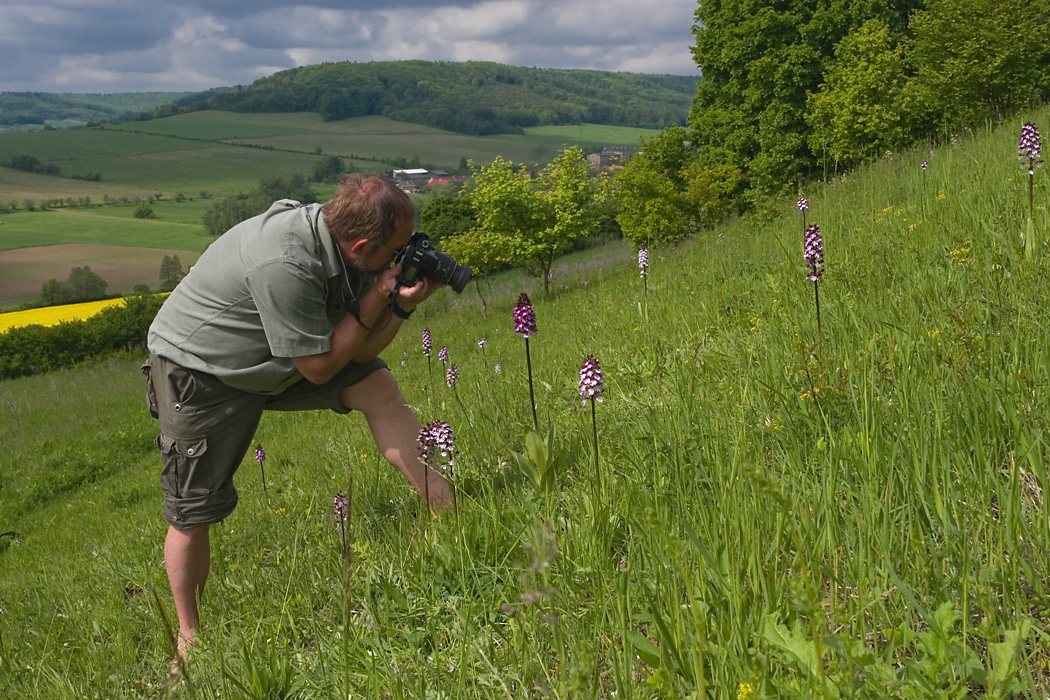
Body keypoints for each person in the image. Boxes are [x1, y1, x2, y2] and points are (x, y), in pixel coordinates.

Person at [143, 173, 449, 658]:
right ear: (362, 242)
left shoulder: (347, 245)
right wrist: (375, 299)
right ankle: (189, 636)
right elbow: (320, 365)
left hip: (282, 355)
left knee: (379, 388)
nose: (399, 257)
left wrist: (398, 308)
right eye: (394, 250)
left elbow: (359, 347)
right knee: (192, 510)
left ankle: (446, 508)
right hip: (203, 371)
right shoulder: (286, 261)